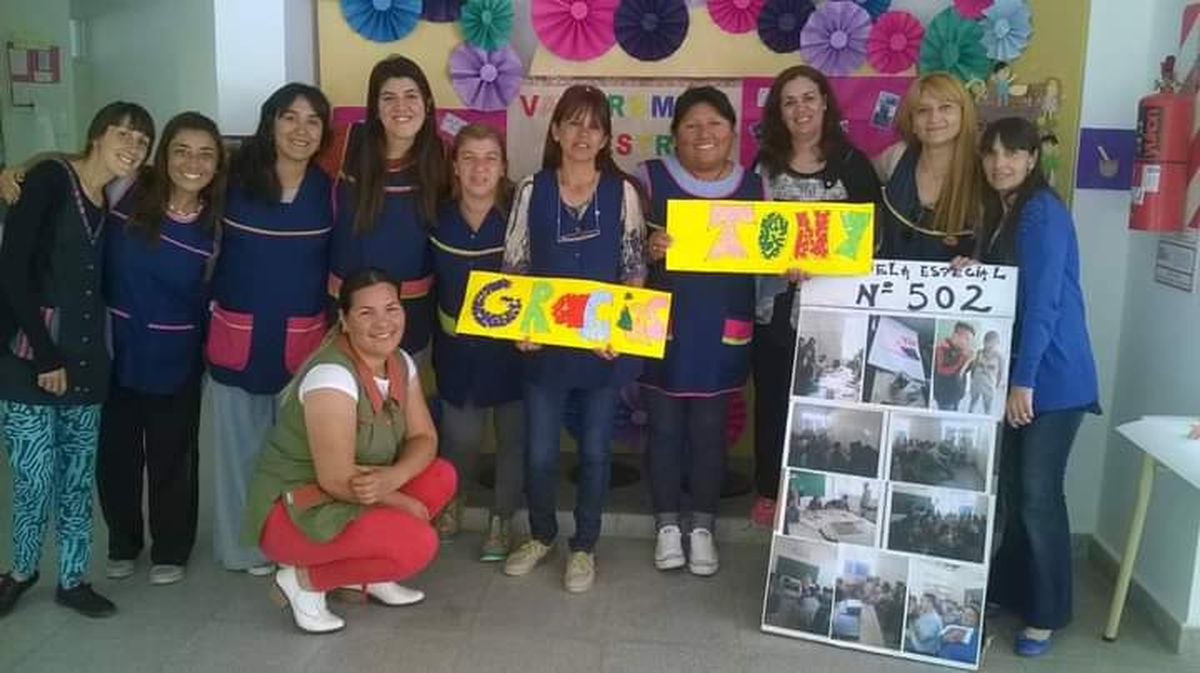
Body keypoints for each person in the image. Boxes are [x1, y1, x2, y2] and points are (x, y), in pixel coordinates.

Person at [0, 102, 154, 618]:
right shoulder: (47, 179)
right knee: (35, 477)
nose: (132, 146)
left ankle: (72, 578)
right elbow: (13, 272)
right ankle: (20, 571)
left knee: (76, 477)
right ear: (96, 135)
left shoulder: (113, 197)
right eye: (123, 133)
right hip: (29, 361)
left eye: (142, 140)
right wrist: (45, 355)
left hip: (88, 361)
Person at [243, 268, 455, 634]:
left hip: (359, 490)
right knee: (417, 544)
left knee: (439, 475)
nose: (383, 322)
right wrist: (402, 502)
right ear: (344, 319)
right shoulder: (332, 376)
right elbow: (337, 480)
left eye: (392, 309)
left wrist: (395, 477)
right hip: (297, 512)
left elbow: (425, 439)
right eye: (365, 313)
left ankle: (369, 577)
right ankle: (303, 582)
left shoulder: (401, 362)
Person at [501, 84, 647, 593]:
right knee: (540, 453)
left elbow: (634, 268)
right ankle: (541, 535)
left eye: (594, 126)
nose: (583, 134)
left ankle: (584, 546)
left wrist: (620, 333)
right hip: (543, 349)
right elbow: (514, 263)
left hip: (601, 350)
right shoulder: (530, 189)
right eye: (574, 123)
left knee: (594, 452)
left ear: (606, 137)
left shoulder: (621, 192)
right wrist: (520, 323)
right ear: (556, 131)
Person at [974, 116, 1100, 657]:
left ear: (1031, 159)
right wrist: (971, 268)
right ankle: (1009, 587)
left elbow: (1044, 303)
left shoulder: (1043, 213)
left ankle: (1047, 614)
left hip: (1053, 377)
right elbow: (1008, 287)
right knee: (1015, 492)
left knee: (1038, 496)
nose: (1000, 163)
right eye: (992, 154)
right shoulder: (1006, 213)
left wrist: (1023, 382)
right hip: (1022, 375)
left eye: (1012, 153)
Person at [206, 83, 334, 574]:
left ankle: (286, 542)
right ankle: (242, 547)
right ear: (270, 122)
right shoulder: (232, 176)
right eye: (290, 118)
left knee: (290, 455)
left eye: (313, 121)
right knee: (238, 448)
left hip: (303, 337)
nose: (301, 130)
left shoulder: (329, 189)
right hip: (238, 332)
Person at [750, 65, 881, 527]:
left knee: (826, 404)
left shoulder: (853, 165)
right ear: (778, 112)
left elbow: (871, 239)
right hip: (773, 304)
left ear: (825, 102)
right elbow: (746, 235)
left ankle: (821, 496)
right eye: (789, 101)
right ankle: (769, 489)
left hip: (835, 308)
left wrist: (822, 262)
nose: (800, 109)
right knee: (772, 401)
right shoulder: (762, 167)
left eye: (809, 98)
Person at [98, 112, 225, 587]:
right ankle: (123, 542)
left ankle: (171, 546)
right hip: (116, 347)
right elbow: (75, 166)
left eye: (205, 153)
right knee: (116, 454)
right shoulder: (125, 192)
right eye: (181, 150)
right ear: (163, 153)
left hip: (177, 352)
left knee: (174, 455)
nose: (193, 162)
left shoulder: (215, 226)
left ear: (217, 164)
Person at [638, 86, 761, 576]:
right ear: (674, 136)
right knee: (664, 430)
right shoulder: (648, 179)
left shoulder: (755, 186)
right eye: (691, 125)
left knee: (711, 432)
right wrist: (647, 247)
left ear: (732, 131)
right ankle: (668, 524)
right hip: (663, 328)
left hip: (723, 329)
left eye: (715, 123)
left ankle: (703, 527)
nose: (703, 133)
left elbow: (769, 265)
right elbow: (621, 251)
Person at [428, 124, 525, 559]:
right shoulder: (437, 219)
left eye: (490, 158)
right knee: (460, 440)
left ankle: (501, 519)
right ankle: (453, 500)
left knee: (513, 442)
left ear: (503, 167)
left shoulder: (517, 221)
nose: (479, 168)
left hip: (513, 356)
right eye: (469, 157)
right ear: (455, 165)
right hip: (456, 354)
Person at [319, 55, 445, 356]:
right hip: (346, 313)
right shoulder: (344, 143)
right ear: (375, 109)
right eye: (388, 98)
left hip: (410, 315)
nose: (401, 107)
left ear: (427, 103)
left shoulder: (442, 156)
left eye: (411, 96)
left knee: (400, 398)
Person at [875, 72, 982, 262]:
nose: (934, 118)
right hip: (889, 288)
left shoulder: (983, 173)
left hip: (955, 289)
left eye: (945, 108)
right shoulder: (895, 157)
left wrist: (977, 264)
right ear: (913, 122)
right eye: (923, 110)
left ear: (963, 115)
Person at [932, 321, 975, 411]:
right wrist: (963, 359)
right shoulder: (942, 348)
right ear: (956, 335)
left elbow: (962, 372)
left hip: (956, 395)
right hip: (946, 398)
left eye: (970, 340)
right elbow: (942, 371)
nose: (968, 343)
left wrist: (970, 362)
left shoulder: (959, 350)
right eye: (967, 339)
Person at [968, 330, 1004, 414]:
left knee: (987, 405)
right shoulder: (979, 352)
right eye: (987, 342)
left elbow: (1001, 372)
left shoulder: (999, 357)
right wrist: (972, 379)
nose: (989, 345)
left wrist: (997, 384)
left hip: (989, 383)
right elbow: (974, 366)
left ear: (996, 343)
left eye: (993, 343)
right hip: (977, 381)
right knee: (973, 401)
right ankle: (969, 413)